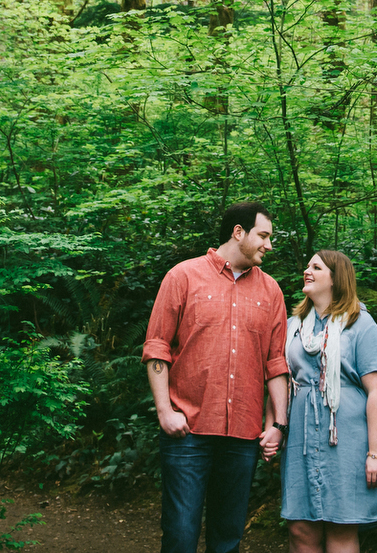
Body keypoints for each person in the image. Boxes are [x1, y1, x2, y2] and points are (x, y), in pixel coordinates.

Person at [142, 201, 291, 553]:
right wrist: (164, 411)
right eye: (264, 235)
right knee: (180, 534)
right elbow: (157, 346)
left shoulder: (271, 292)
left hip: (242, 434)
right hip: (188, 431)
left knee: (227, 539)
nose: (269, 245)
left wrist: (278, 425)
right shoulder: (183, 276)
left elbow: (276, 363)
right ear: (238, 232)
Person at [281, 249, 377, 551]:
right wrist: (275, 425)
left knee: (340, 526)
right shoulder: (294, 325)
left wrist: (375, 453)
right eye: (307, 265)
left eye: (316, 267)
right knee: (300, 526)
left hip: (347, 439)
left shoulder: (361, 324)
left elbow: (376, 392)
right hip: (302, 437)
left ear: (335, 278)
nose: (307, 270)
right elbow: (281, 379)